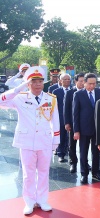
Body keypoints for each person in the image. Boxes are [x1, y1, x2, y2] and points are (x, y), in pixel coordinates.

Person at [0, 66, 60, 215]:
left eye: (40, 81)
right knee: (28, 174)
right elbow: (1, 100)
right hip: (26, 141)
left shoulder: (50, 99)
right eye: (34, 81)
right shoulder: (20, 98)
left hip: (45, 140)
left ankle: (42, 199)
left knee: (44, 172)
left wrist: (56, 140)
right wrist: (18, 88)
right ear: (28, 83)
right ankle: (29, 201)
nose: (38, 84)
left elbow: (56, 120)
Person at [73, 73, 100, 184]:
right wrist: (76, 130)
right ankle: (84, 174)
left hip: (97, 128)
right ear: (84, 83)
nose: (92, 86)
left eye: (94, 83)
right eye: (90, 83)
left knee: (96, 152)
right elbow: (75, 114)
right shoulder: (78, 94)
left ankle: (96, 172)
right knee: (83, 152)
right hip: (84, 128)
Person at [64, 72, 85, 173]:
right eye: (80, 81)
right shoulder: (70, 92)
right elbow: (66, 109)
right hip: (73, 123)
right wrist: (67, 122)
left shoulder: (87, 92)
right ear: (76, 81)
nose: (82, 83)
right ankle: (73, 162)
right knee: (72, 144)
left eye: (84, 81)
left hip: (85, 123)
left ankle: (84, 163)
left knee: (84, 146)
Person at [52, 73, 72, 163]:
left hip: (72, 117)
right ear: (60, 81)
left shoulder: (74, 90)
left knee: (71, 138)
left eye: (68, 79)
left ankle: (72, 155)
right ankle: (61, 154)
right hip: (60, 118)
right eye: (65, 79)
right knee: (62, 136)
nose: (67, 81)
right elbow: (54, 106)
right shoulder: (56, 92)